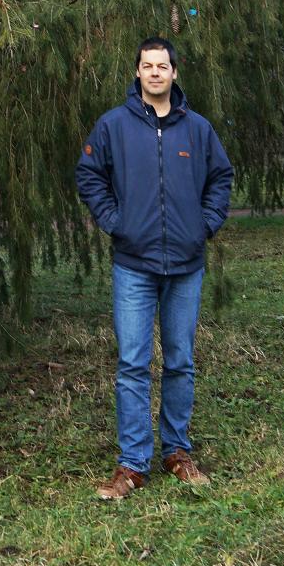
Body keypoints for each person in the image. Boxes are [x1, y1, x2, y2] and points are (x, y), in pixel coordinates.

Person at [75, 36, 233, 501]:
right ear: (138, 73)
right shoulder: (113, 126)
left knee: (180, 361)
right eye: (148, 66)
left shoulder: (198, 129)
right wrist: (114, 221)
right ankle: (133, 463)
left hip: (185, 264)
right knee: (132, 364)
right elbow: (89, 175)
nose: (156, 73)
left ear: (174, 73)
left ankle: (177, 452)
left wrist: (204, 224)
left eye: (163, 66)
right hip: (134, 265)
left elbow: (221, 177)